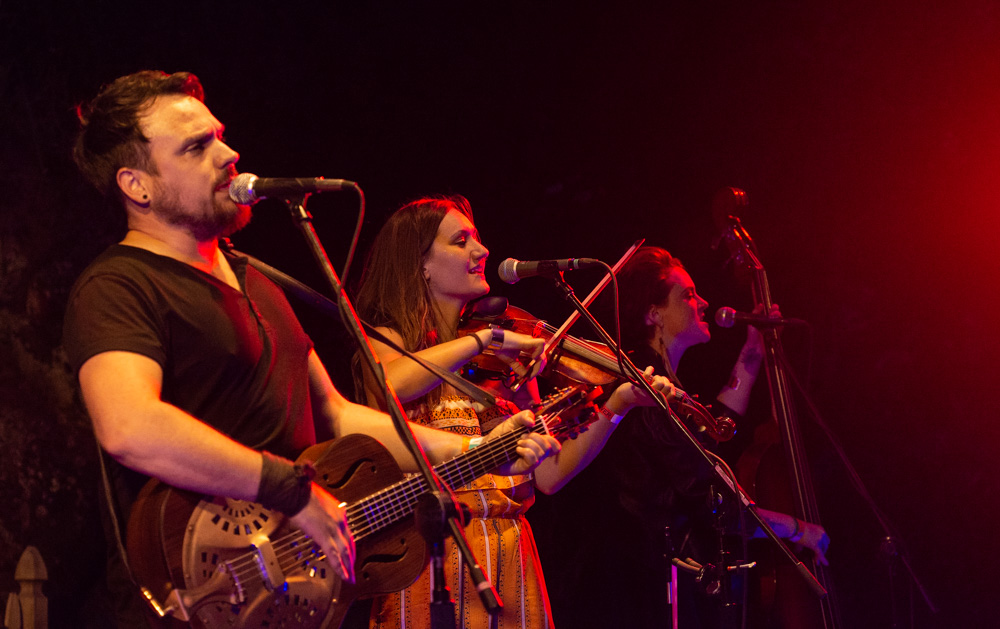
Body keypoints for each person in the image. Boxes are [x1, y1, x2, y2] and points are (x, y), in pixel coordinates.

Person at [62, 70, 560, 627]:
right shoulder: (118, 286)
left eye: (220, 134)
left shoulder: (258, 282)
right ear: (138, 186)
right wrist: (292, 491)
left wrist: (470, 450)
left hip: (288, 596)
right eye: (197, 146)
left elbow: (336, 413)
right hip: (196, 594)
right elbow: (130, 426)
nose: (228, 153)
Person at [352, 196, 673, 629]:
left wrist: (618, 405)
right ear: (420, 263)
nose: (481, 251)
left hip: (509, 552)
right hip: (430, 556)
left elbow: (548, 474)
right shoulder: (387, 340)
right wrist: (487, 340)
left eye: (477, 239)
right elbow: (391, 383)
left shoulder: (506, 363)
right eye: (460, 240)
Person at [541, 245, 829, 628]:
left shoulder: (661, 381)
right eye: (689, 295)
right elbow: (712, 502)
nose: (704, 302)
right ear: (654, 314)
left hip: (645, 579)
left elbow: (715, 428)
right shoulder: (644, 387)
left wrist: (753, 351)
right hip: (634, 587)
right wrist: (797, 529)